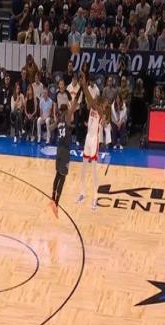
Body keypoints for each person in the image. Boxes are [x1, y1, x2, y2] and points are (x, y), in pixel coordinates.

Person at [76, 72, 110, 210]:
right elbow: (88, 98)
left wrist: (84, 84)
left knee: (94, 170)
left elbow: (89, 97)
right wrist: (84, 86)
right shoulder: (92, 107)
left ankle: (95, 198)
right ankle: (82, 192)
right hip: (87, 138)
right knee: (84, 167)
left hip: (94, 140)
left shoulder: (101, 112)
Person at [49, 90, 82, 218]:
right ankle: (56, 203)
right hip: (65, 152)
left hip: (58, 149)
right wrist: (79, 91)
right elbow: (74, 104)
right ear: (66, 111)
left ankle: (52, 197)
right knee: (63, 177)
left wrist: (56, 121)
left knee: (57, 174)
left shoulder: (59, 120)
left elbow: (50, 128)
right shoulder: (67, 117)